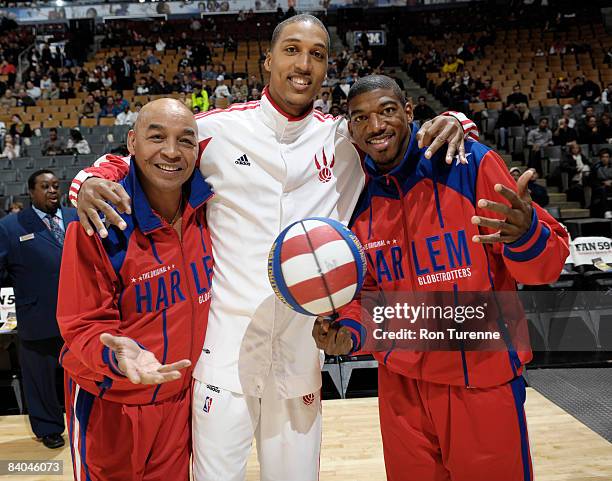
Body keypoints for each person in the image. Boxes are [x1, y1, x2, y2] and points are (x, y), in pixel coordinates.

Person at [68, 15, 476, 481]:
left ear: (327, 69)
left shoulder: (347, 140)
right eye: (292, 50)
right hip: (224, 354)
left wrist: (459, 120)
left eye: (317, 54)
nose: (303, 63)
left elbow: (408, 135)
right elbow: (149, 149)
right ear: (267, 61)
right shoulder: (217, 131)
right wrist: (88, 180)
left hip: (302, 353)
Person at [313, 75, 569, 481]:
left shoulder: (469, 162)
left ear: (411, 112)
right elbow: (369, 294)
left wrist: (527, 234)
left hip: (480, 379)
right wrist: (347, 332)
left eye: (387, 111)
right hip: (400, 388)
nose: (375, 125)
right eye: (360, 117)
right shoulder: (354, 194)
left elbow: (546, 267)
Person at [57, 99, 213, 481]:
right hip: (111, 402)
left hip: (179, 402)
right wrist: (117, 358)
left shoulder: (211, 207)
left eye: (184, 140)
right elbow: (82, 323)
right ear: (131, 142)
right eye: (156, 137)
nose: (171, 152)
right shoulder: (100, 220)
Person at [0, 170, 78, 449]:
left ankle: (87, 423)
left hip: (79, 316)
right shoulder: (11, 226)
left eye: (56, 185)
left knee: (83, 375)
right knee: (40, 379)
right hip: (37, 316)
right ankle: (48, 428)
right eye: (45, 186)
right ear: (31, 192)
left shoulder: (74, 217)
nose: (52, 191)